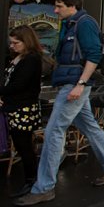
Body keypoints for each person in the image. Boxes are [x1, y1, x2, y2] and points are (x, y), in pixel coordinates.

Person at [15, 0, 104, 206]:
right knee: (90, 126)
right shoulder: (71, 23)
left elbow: (94, 55)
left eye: (59, 6)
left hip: (75, 85)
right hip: (71, 83)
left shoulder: (84, 23)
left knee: (53, 131)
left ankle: (44, 188)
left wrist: (81, 84)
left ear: (72, 6)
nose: (55, 10)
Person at [1, 26, 43, 199]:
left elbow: (19, 85)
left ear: (27, 42)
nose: (12, 46)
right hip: (17, 106)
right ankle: (31, 179)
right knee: (21, 144)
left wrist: (3, 93)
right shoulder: (19, 58)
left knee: (23, 145)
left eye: (16, 43)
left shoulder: (31, 59)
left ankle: (31, 180)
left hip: (23, 108)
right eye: (11, 42)